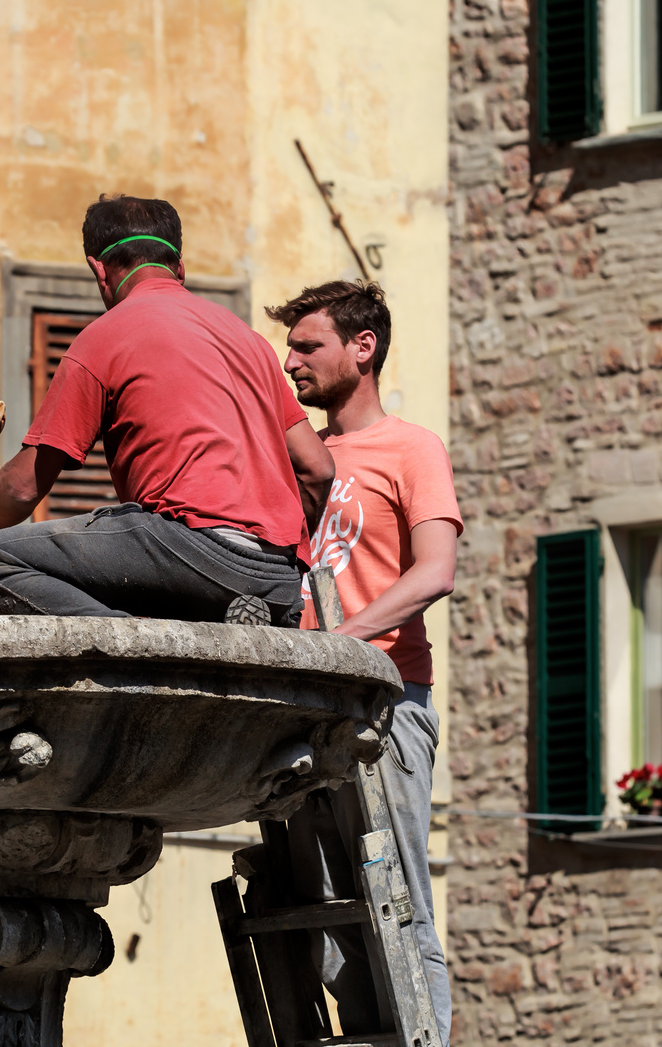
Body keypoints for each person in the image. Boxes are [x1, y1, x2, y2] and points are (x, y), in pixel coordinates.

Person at [0, 195, 335, 626]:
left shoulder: (104, 336)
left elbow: (23, 489)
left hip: (188, 551)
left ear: (98, 270)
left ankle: (134, 649)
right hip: (276, 577)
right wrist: (270, 552)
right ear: (179, 267)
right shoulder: (248, 340)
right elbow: (319, 468)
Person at [269, 279, 459, 1042]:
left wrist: (340, 644)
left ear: (363, 347)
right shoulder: (297, 459)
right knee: (326, 923)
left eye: (307, 346)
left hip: (385, 704)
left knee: (399, 905)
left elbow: (434, 572)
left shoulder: (411, 447)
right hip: (305, 712)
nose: (291, 363)